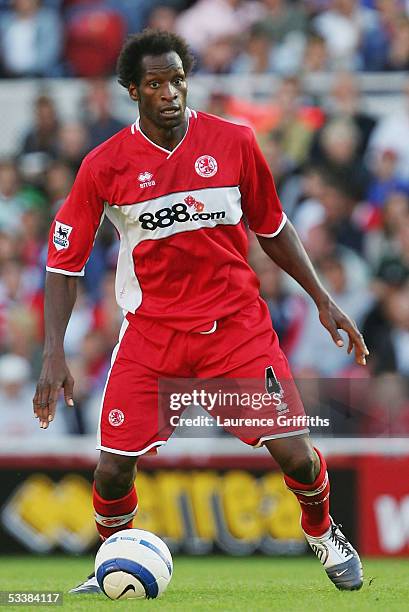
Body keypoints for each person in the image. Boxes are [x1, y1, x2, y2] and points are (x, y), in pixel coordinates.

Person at [33, 30, 368, 594]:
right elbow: (65, 263)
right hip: (152, 334)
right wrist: (52, 354)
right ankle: (111, 562)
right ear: (133, 91)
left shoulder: (234, 142)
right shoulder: (104, 166)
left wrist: (323, 300)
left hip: (235, 331)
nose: (170, 93)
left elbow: (273, 228)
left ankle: (322, 529)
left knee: (298, 458)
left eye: (177, 80)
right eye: (156, 84)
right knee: (112, 469)